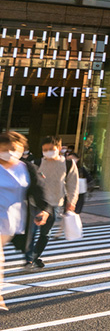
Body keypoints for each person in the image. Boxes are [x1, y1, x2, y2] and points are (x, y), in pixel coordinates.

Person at [0, 132, 49, 311]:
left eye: (16, 149)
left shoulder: (26, 168)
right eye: (6, 149)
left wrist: (44, 210)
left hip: (12, 220)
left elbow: (38, 190)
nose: (11, 152)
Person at [24, 137, 77, 269]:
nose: (47, 152)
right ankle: (30, 259)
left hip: (54, 203)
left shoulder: (68, 164)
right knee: (30, 231)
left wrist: (71, 202)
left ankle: (34, 257)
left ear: (59, 149)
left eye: (51, 149)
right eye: (44, 150)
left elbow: (73, 185)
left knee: (45, 233)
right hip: (35, 203)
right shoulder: (36, 162)